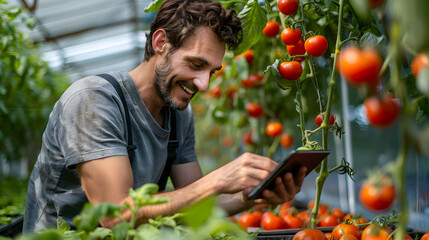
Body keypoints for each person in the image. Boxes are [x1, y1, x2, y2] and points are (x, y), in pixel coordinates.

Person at [23, 0, 307, 232]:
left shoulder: (178, 115)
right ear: (161, 42)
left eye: (212, 72)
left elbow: (195, 207)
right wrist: (217, 180)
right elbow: (115, 214)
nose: (204, 84)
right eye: (196, 64)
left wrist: (249, 198)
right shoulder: (94, 100)